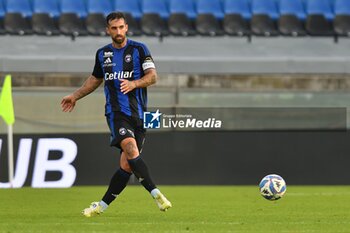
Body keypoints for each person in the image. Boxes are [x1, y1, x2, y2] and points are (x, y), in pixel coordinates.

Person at [61, 12, 172, 217]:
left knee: (127, 165)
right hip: (116, 113)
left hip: (139, 114)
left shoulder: (139, 49)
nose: (118, 32)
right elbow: (95, 79)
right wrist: (75, 96)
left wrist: (134, 83)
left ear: (127, 28)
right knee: (130, 148)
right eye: (114, 28)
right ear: (108, 30)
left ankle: (100, 206)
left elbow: (153, 77)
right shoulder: (103, 54)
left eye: (121, 27)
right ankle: (156, 194)